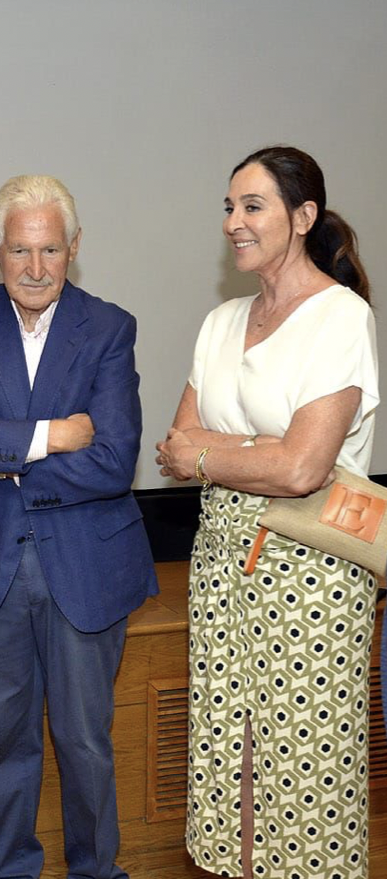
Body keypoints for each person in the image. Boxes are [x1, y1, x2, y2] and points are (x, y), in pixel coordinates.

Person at [0, 174, 157, 879]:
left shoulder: (109, 328)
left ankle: (95, 871)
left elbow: (115, 460)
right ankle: (9, 869)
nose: (35, 268)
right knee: (5, 742)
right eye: (20, 251)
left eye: (50, 250)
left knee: (85, 742)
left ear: (74, 249)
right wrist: (51, 436)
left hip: (85, 565)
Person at [156, 146, 377, 879]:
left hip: (312, 575)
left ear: (303, 218)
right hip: (220, 563)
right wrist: (259, 448)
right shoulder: (219, 322)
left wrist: (218, 455)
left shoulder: (340, 318)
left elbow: (304, 467)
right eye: (228, 206)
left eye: (252, 206)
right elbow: (174, 445)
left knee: (307, 767)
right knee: (228, 755)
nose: (233, 223)